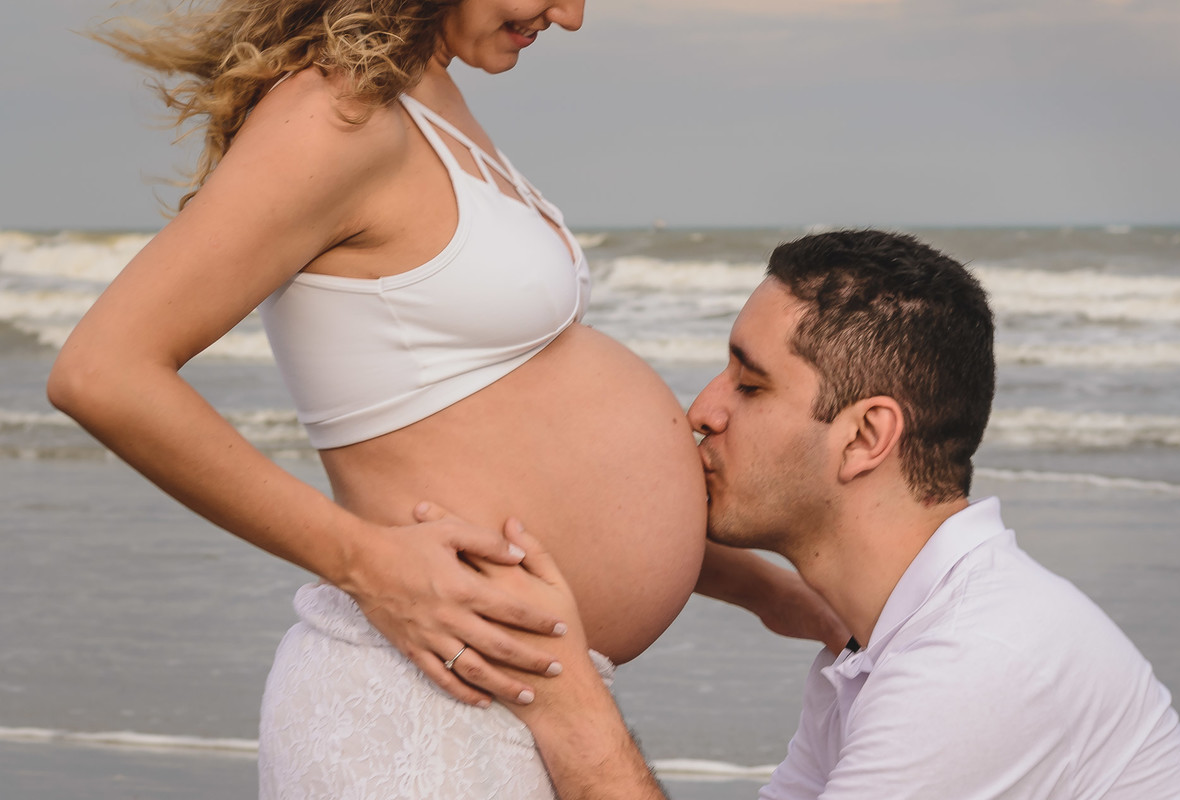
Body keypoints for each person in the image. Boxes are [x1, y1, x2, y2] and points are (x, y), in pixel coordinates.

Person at [46, 1, 843, 797]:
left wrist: (765, 588)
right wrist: (365, 562)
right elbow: (103, 371)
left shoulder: (428, 106)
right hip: (418, 708)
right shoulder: (334, 116)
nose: (569, 17)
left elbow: (498, 452)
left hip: (505, 703)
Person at [474, 229, 1180, 799]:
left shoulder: (972, 665)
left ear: (864, 438)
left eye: (750, 386)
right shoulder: (877, 642)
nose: (703, 410)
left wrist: (564, 692)